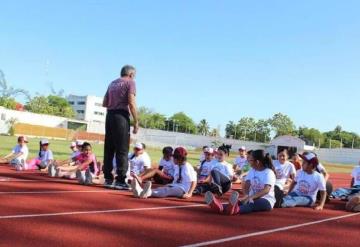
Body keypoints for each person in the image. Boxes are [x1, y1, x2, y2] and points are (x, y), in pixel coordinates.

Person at [205, 149, 276, 215]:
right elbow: (247, 185)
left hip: (266, 200)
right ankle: (220, 207)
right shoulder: (252, 171)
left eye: (251, 160)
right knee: (240, 202)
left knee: (252, 204)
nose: (249, 162)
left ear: (257, 162)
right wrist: (246, 195)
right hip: (251, 197)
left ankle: (236, 210)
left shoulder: (269, 173)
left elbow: (266, 190)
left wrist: (250, 198)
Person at [102, 65, 139, 190]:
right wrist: (136, 121)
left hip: (110, 115)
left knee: (109, 148)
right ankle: (120, 180)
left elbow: (104, 103)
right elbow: (131, 103)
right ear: (131, 74)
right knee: (122, 149)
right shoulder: (130, 83)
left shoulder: (112, 83)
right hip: (121, 117)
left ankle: (107, 178)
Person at [131, 147, 197, 199]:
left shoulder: (187, 167)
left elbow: (194, 181)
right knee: (160, 188)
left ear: (179, 158)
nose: (172, 158)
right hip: (176, 185)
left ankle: (148, 193)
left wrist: (189, 193)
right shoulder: (177, 166)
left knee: (167, 190)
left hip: (183, 189)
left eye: (174, 157)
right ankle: (141, 191)